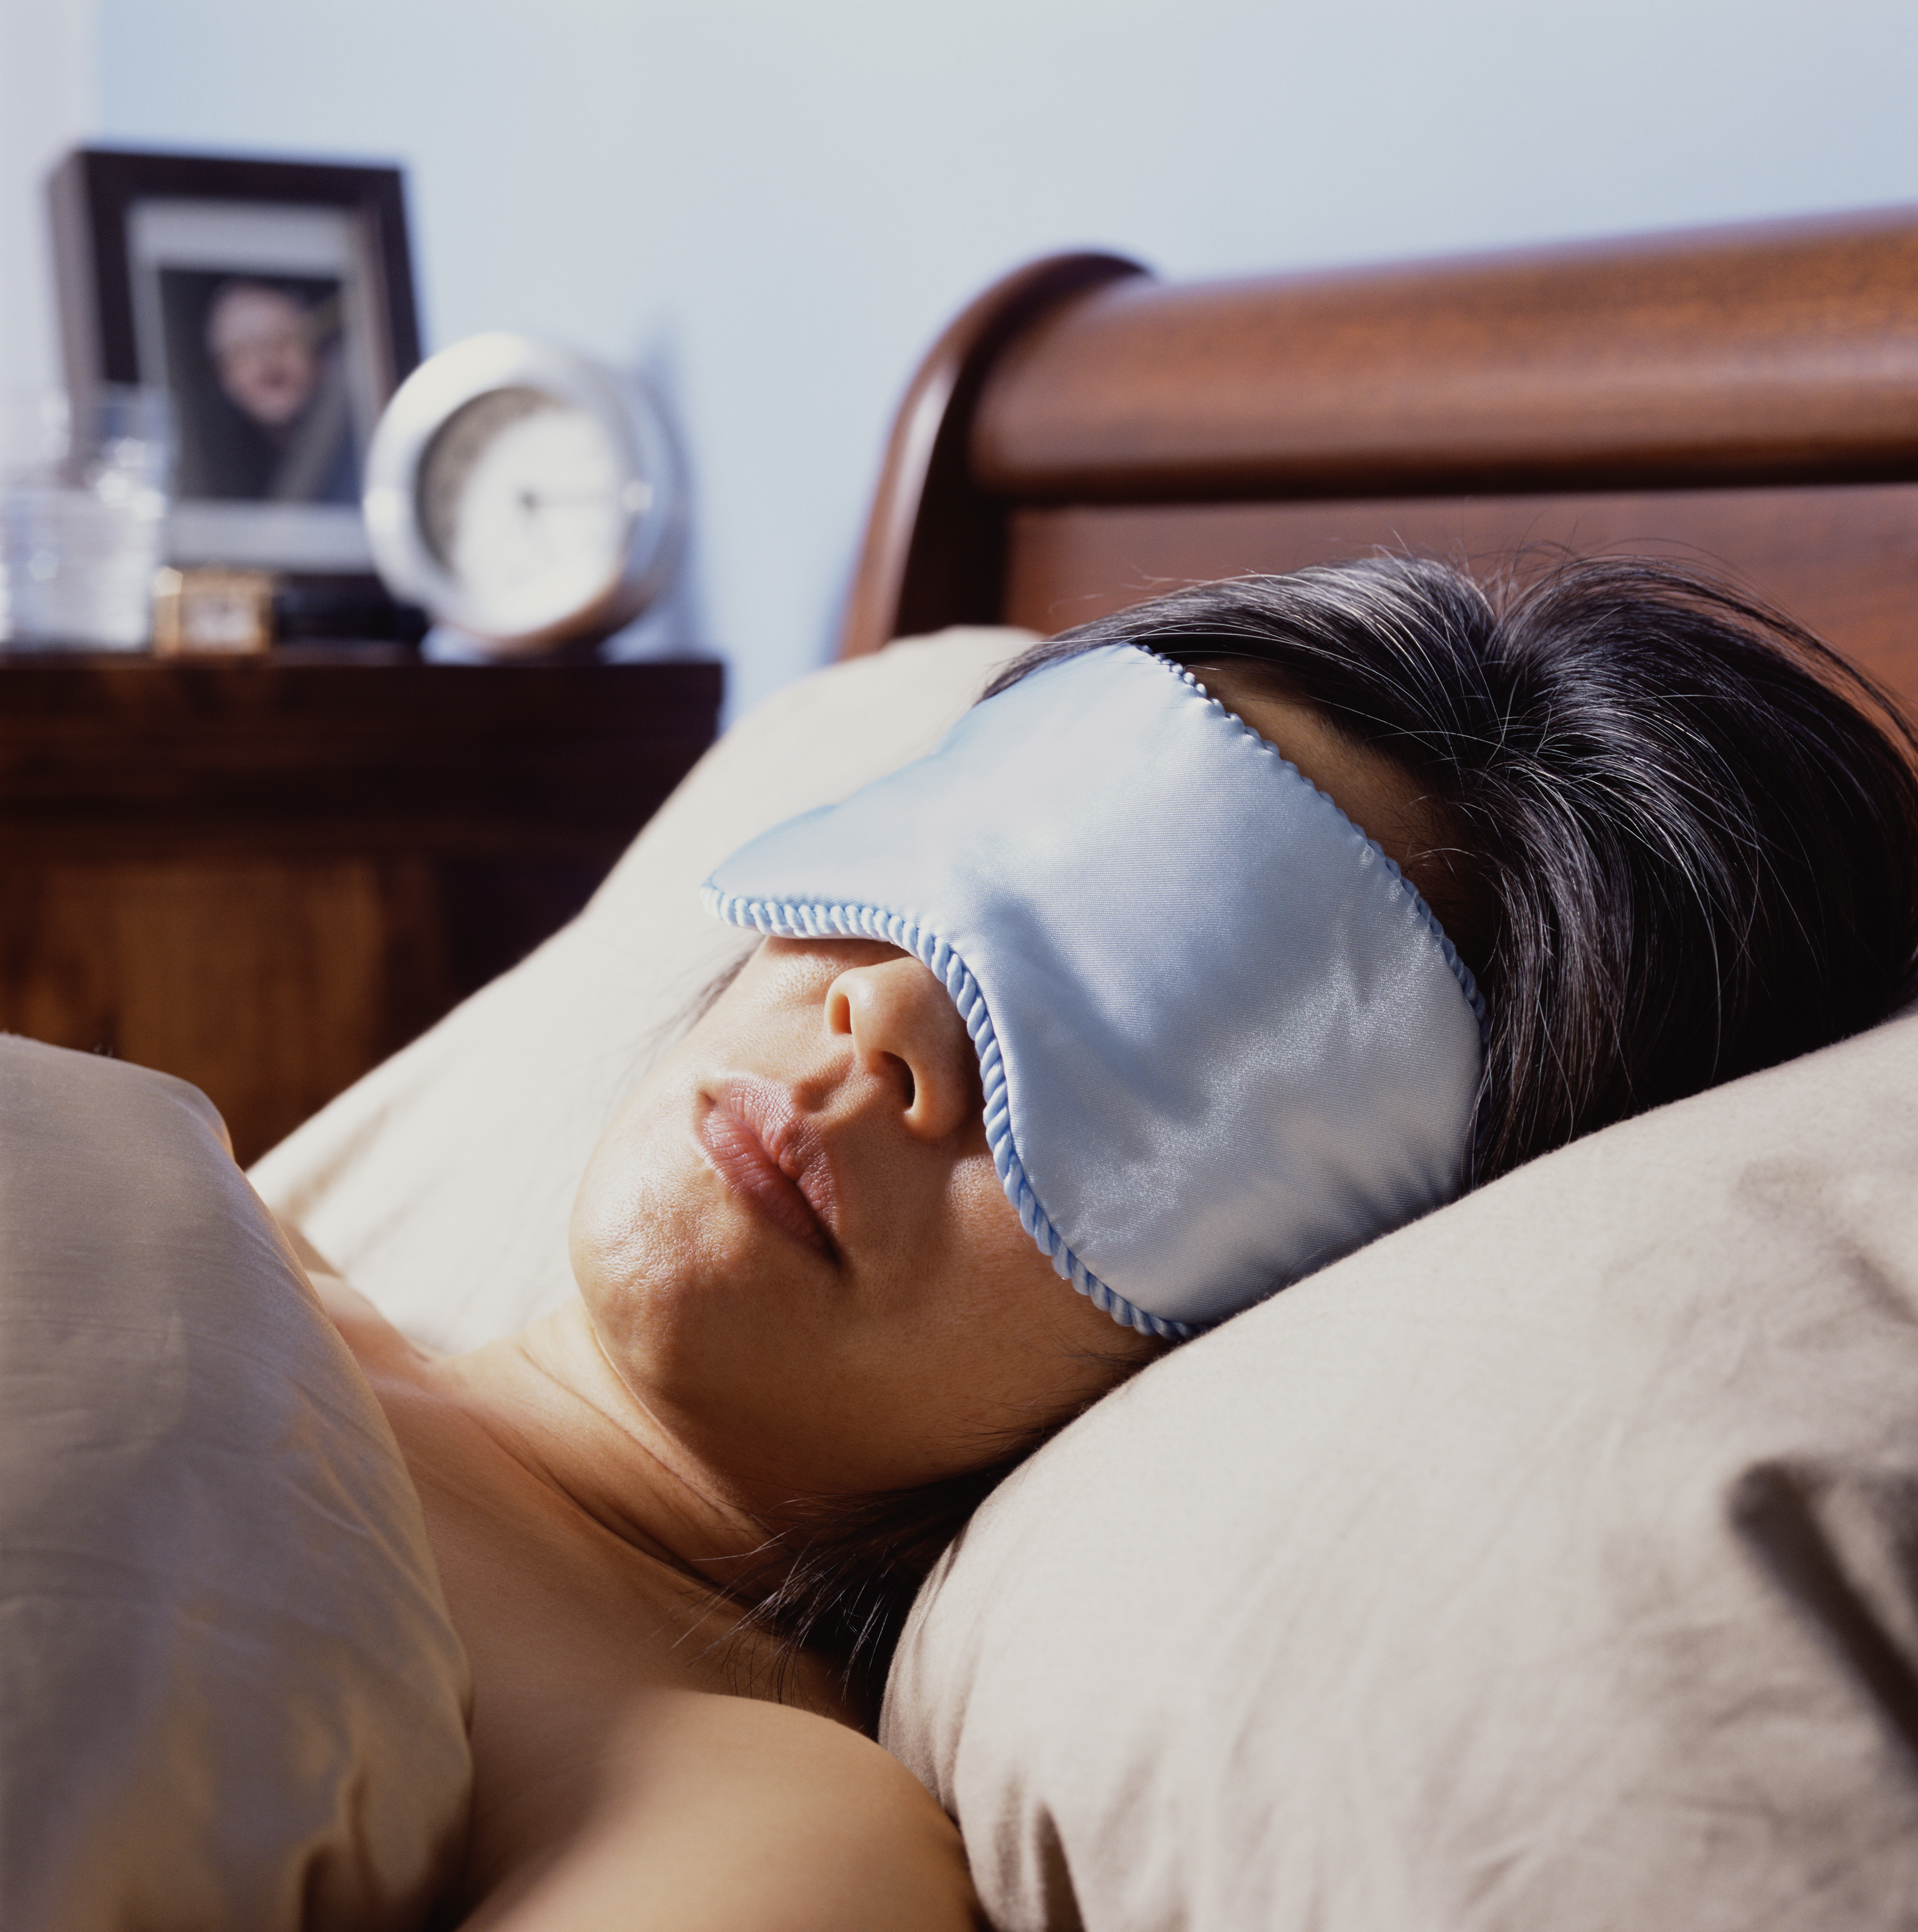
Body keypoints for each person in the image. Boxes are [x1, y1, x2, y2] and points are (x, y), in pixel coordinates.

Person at [303, 555, 1918, 1929]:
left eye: (1127, 1050)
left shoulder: (738, 1822)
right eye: (949, 871)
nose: (888, 1011)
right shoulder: (266, 1267)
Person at [187, 278, 359, 504]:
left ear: (316, 349)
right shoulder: (224, 469)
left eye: (281, 341)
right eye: (243, 352)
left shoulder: (360, 425)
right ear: (222, 375)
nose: (266, 364)